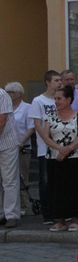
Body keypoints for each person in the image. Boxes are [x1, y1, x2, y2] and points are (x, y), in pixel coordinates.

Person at [42, 85, 78, 232]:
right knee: (56, 188)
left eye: (59, 98)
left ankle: (74, 219)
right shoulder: (49, 116)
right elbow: (45, 137)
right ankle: (59, 220)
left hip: (74, 157)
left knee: (73, 188)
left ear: (68, 100)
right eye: (55, 98)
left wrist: (67, 150)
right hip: (54, 158)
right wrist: (60, 149)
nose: (56, 101)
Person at [29, 70, 62, 224]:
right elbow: (37, 124)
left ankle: (59, 211)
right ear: (48, 82)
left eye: (60, 80)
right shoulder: (38, 101)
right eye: (56, 80)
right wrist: (48, 140)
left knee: (58, 180)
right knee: (45, 180)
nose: (60, 83)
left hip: (61, 147)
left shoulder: (60, 100)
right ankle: (47, 212)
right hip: (45, 147)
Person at [5, 82, 34, 216]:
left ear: (19, 94)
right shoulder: (5, 107)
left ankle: (23, 205)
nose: (9, 94)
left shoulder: (27, 108)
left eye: (11, 92)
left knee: (22, 176)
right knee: (8, 178)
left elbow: (31, 127)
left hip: (22, 147)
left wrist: (21, 142)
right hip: (6, 147)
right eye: (8, 92)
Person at [0, 88, 21, 228]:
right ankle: (1, 213)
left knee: (9, 179)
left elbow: (2, 119)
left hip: (6, 142)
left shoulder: (1, 94)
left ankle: (11, 215)